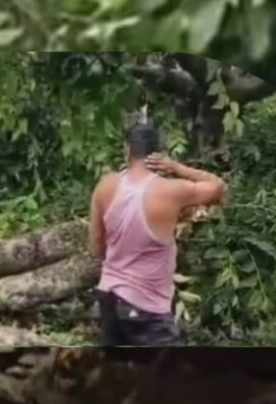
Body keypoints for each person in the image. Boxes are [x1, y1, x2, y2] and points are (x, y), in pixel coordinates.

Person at [88, 120, 227, 346]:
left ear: (127, 150)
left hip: (109, 298)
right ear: (159, 154)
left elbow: (96, 246)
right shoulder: (171, 191)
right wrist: (177, 168)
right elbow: (219, 188)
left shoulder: (105, 186)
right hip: (146, 309)